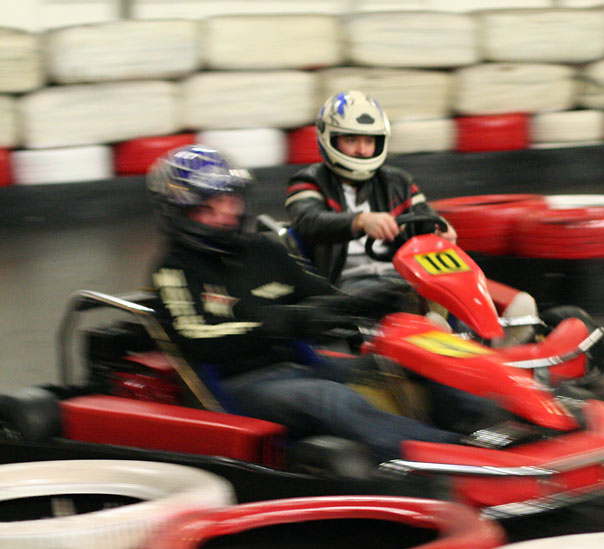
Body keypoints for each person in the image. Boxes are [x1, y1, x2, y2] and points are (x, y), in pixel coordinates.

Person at [147, 144, 492, 460]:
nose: (226, 213)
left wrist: (375, 298)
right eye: (206, 208)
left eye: (229, 199)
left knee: (417, 356)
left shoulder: (263, 250)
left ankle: (486, 429)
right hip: (243, 384)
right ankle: (457, 457)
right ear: (179, 213)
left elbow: (323, 298)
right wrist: (286, 322)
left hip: (303, 366)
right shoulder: (174, 270)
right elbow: (198, 339)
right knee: (332, 399)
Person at [285, 90, 457, 290]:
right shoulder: (308, 181)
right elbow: (308, 222)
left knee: (453, 290)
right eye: (351, 140)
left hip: (400, 275)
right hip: (345, 284)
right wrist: (360, 222)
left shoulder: (398, 182)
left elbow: (424, 218)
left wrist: (440, 230)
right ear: (329, 139)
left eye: (369, 141)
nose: (362, 150)